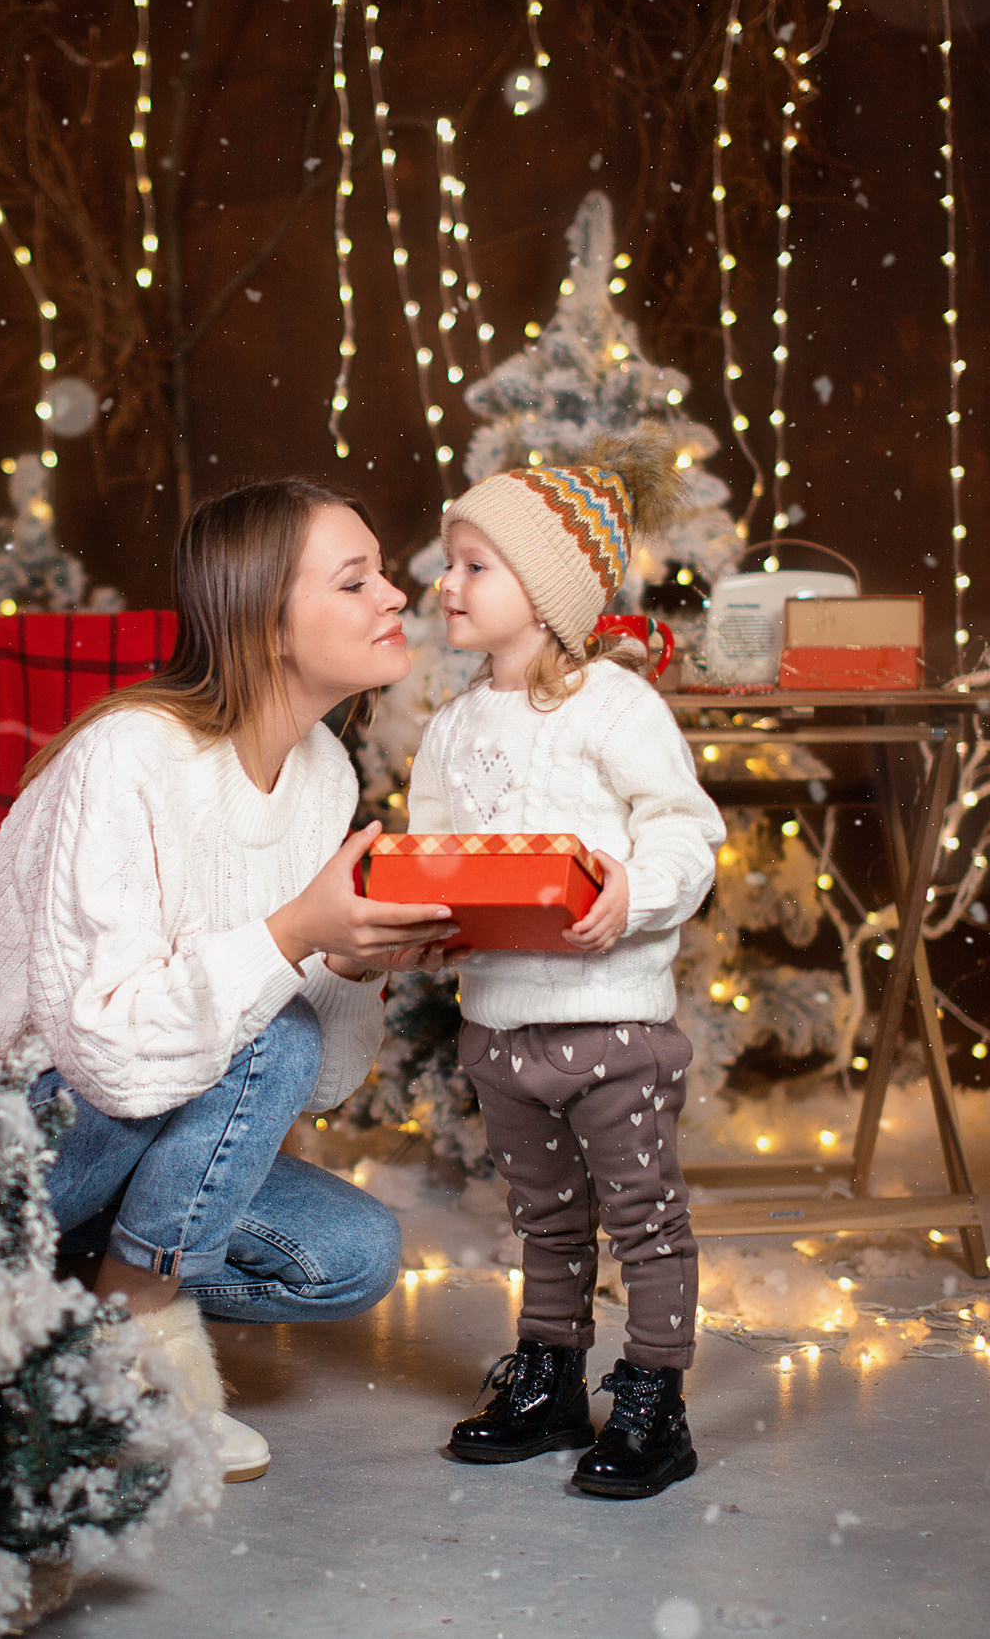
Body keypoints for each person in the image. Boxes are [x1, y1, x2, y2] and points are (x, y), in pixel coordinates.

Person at [0, 478, 464, 1482]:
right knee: (265, 1032)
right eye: (356, 581)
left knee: (352, 1254)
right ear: (264, 623)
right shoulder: (131, 757)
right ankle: (120, 1335)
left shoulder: (325, 774)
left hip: (117, 1125)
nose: (396, 596)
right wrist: (291, 935)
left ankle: (50, 1299)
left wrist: (354, 960)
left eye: (383, 575)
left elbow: (305, 1087)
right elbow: (111, 1054)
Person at [410, 427, 727, 1499]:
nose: (443, 583)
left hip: (611, 1019)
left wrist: (630, 892)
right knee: (543, 1216)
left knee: (642, 1216)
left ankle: (655, 1394)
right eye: (447, 562)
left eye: (472, 565)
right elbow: (437, 858)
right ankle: (549, 1377)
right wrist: (433, 926)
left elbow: (684, 829)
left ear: (545, 594)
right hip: (501, 1021)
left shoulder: (617, 708)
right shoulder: (451, 728)